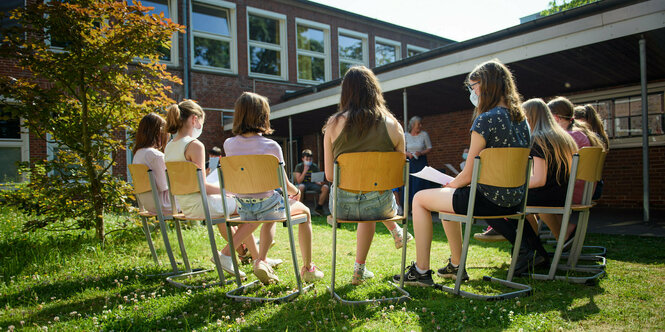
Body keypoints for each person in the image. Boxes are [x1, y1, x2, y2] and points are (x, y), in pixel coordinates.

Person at [394, 59, 531, 287]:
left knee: (419, 199)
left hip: (486, 200)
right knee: (447, 200)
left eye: (473, 86)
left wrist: (451, 184)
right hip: (514, 200)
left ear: (487, 85)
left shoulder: (485, 120)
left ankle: (421, 270)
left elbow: (467, 176)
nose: (472, 92)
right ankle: (456, 266)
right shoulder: (522, 120)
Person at [164, 100, 274, 280]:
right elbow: (202, 186)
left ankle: (258, 259)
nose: (201, 126)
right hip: (203, 204)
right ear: (194, 119)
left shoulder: (169, 146)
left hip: (185, 204)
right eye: (201, 121)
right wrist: (227, 190)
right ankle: (228, 255)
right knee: (255, 208)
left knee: (242, 208)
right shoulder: (194, 145)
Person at [224, 92, 324, 285]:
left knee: (271, 213)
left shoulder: (229, 144)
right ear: (263, 115)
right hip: (267, 204)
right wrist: (296, 192)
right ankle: (308, 268)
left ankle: (261, 260)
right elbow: (283, 184)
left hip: (244, 205)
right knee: (303, 212)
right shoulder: (271, 146)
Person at [323, 65, 406, 285]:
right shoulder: (393, 125)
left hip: (342, 205)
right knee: (370, 200)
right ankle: (363, 265)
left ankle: (360, 270)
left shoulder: (333, 124)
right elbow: (399, 173)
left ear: (346, 92)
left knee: (364, 198)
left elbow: (330, 176)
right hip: (380, 205)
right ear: (374, 91)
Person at [481, 98, 580, 274]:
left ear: (530, 118)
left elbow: (539, 179)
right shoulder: (563, 138)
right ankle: (533, 250)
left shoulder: (538, 139)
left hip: (546, 194)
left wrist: (514, 184)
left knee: (500, 204)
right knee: (517, 204)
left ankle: (529, 250)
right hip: (561, 194)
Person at [544, 96, 604, 242]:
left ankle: (564, 234)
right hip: (584, 190)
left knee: (534, 197)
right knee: (540, 195)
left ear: (556, 118)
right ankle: (564, 233)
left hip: (572, 192)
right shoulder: (581, 134)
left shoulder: (567, 138)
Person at [132, 113, 172, 215]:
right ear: (159, 133)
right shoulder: (155, 155)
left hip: (149, 204)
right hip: (166, 203)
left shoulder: (138, 153)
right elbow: (165, 186)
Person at [405, 116, 432, 208]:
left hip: (421, 162)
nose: (420, 126)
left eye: (421, 124)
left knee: (420, 183)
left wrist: (420, 153)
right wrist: (408, 154)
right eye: (418, 124)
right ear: (412, 125)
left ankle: (422, 205)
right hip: (410, 162)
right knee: (410, 183)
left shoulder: (424, 134)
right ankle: (409, 206)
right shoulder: (405, 135)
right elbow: (400, 149)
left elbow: (429, 148)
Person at [293, 149, 329, 216]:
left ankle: (319, 208)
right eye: (307, 159)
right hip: (302, 184)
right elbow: (298, 181)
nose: (309, 161)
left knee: (326, 187)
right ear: (303, 159)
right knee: (301, 187)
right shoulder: (299, 166)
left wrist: (319, 182)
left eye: (310, 159)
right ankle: (300, 208)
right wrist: (305, 171)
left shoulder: (314, 166)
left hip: (313, 184)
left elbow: (317, 179)